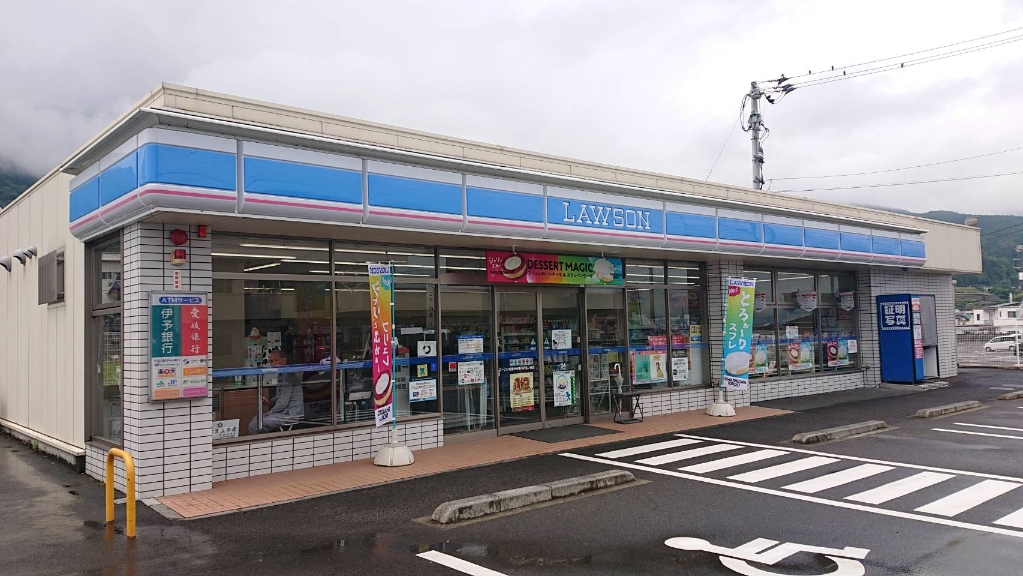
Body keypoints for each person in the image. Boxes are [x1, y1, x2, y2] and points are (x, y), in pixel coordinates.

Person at [249, 348, 304, 434]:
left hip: (291, 414)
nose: (274, 364)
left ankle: (261, 444)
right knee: (255, 419)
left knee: (255, 424)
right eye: (271, 361)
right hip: (284, 412)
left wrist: (270, 412)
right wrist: (269, 402)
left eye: (276, 360)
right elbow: (279, 396)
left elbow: (283, 403)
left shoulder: (288, 377)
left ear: (284, 360)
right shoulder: (280, 375)